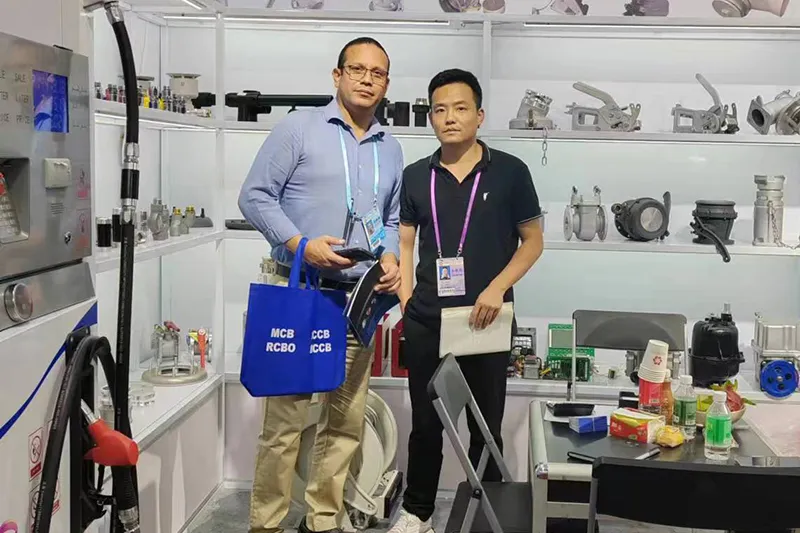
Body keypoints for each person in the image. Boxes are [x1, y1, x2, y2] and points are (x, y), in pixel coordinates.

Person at [238, 36, 404, 533]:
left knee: (345, 422)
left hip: (358, 299)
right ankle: (267, 525)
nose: (367, 79)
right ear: (337, 75)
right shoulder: (299, 128)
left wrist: (390, 255)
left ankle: (323, 522)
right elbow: (254, 196)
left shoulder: (390, 147)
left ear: (386, 84)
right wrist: (300, 244)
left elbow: (390, 218)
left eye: (377, 73)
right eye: (357, 69)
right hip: (302, 292)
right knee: (285, 426)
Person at [391, 69, 544, 533]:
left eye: (460, 108)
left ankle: (486, 513)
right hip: (427, 321)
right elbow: (405, 243)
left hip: (485, 320)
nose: (449, 118)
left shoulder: (510, 172)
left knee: (485, 426)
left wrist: (497, 287)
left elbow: (533, 241)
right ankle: (417, 512)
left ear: (479, 115)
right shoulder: (416, 176)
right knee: (426, 424)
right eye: (440, 109)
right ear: (430, 117)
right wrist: (405, 300)